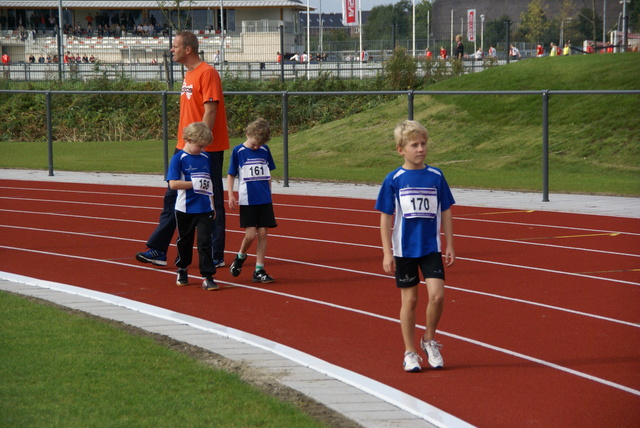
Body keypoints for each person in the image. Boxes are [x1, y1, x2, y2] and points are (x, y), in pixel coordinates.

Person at [136, 31, 229, 267]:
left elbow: (210, 111)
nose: (171, 49)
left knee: (211, 199)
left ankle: (215, 255)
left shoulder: (207, 73)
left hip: (206, 149)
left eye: (175, 46)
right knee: (172, 197)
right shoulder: (189, 74)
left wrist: (201, 144)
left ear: (188, 49)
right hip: (184, 147)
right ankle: (158, 249)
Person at [375, 120, 455, 373]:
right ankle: (410, 351)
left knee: (437, 295)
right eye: (414, 145)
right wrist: (387, 252)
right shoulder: (394, 179)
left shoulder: (436, 176)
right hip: (404, 249)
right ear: (401, 150)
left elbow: (446, 210)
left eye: (423, 144)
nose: (420, 149)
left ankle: (429, 339)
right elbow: (385, 217)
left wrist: (450, 243)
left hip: (431, 246)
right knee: (409, 301)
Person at [166, 122, 219, 291]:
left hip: (204, 208)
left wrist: (213, 205)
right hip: (185, 209)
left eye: (205, 146)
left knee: (205, 242)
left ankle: (208, 276)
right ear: (188, 140)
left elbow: (208, 183)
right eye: (200, 146)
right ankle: (182, 268)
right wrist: (193, 183)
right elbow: (173, 184)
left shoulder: (205, 158)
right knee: (185, 242)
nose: (203, 149)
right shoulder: (178, 159)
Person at [227, 118, 278, 284]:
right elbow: (231, 174)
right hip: (248, 200)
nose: (256, 147)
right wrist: (231, 194)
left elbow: (268, 173)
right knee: (250, 235)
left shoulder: (265, 150)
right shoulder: (238, 151)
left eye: (259, 145)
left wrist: (269, 193)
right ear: (247, 134)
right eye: (254, 144)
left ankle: (259, 269)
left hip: (264, 198)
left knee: (263, 233)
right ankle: (240, 256)